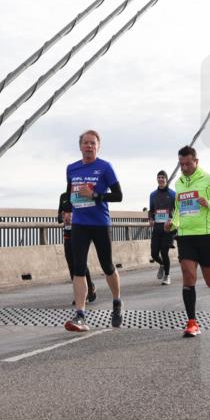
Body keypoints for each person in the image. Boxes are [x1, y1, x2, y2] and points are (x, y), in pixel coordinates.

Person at [166, 146, 210, 337]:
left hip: (208, 234)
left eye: (188, 163)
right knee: (188, 276)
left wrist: (209, 203)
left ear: (196, 162)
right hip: (186, 235)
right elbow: (179, 209)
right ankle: (192, 322)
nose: (184, 167)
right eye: (181, 164)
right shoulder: (178, 184)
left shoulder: (209, 179)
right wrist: (173, 223)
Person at [63, 130, 123, 332]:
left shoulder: (105, 167)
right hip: (80, 224)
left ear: (98, 146)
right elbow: (71, 192)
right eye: (86, 143)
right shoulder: (72, 169)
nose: (89, 146)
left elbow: (118, 195)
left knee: (107, 265)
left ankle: (116, 302)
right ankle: (80, 314)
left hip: (100, 223)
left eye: (93, 143)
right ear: (80, 146)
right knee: (78, 268)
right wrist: (68, 211)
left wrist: (96, 195)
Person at [59, 190, 97, 304]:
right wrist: (63, 216)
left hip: (80, 234)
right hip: (67, 235)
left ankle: (85, 293)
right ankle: (83, 291)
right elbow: (58, 218)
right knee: (71, 266)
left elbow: (89, 213)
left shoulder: (81, 195)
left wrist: (74, 216)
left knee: (80, 264)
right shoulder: (63, 196)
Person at [148, 170, 176, 285]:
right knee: (154, 253)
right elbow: (151, 210)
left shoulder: (173, 194)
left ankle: (167, 276)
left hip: (168, 228)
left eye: (162, 177)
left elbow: (177, 211)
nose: (160, 179)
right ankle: (162, 264)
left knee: (164, 252)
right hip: (157, 227)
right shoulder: (153, 195)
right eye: (158, 177)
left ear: (166, 179)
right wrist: (150, 219)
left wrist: (172, 220)